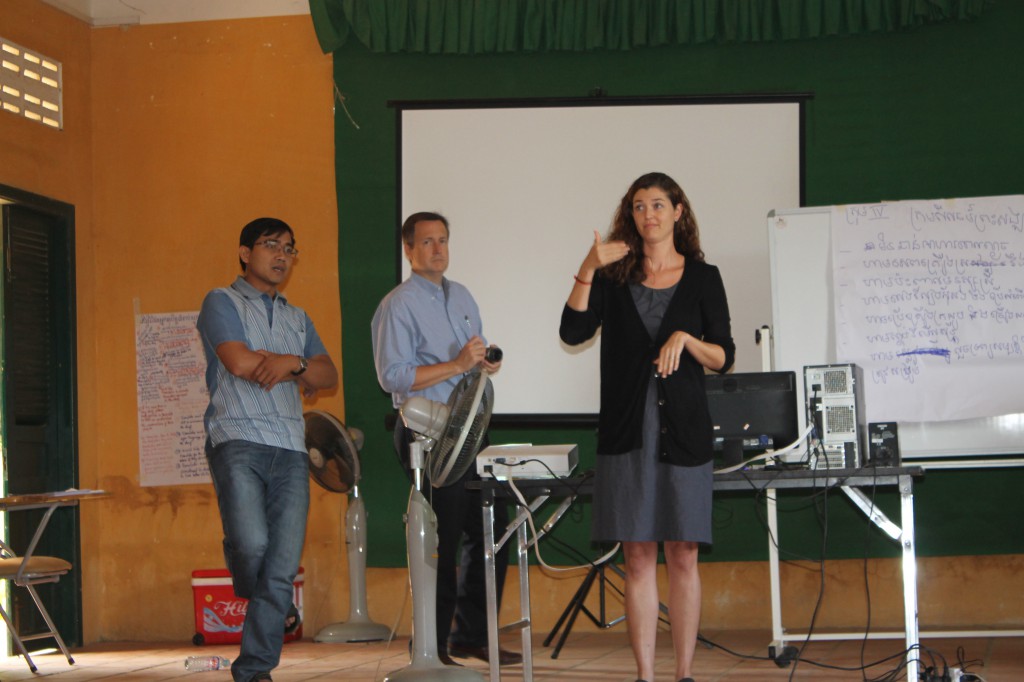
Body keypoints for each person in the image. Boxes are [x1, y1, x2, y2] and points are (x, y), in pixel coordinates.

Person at [559, 173, 735, 682]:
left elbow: (723, 355)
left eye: (658, 204)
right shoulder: (612, 279)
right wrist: (589, 266)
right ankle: (645, 677)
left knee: (682, 554)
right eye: (638, 206)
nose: (648, 214)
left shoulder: (704, 277)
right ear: (629, 215)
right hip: (625, 430)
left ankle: (682, 674)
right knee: (637, 556)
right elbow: (572, 331)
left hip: (684, 431)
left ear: (678, 211)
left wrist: (686, 339)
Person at [371, 211, 521, 667]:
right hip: (429, 433)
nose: (437, 249)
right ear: (409, 250)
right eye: (427, 242)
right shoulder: (397, 305)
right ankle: (431, 647)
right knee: (444, 537)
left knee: (491, 531)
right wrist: (457, 364)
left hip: (470, 428)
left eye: (443, 240)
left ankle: (471, 636)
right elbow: (391, 376)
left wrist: (483, 360)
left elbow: (472, 353)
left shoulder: (462, 296)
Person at [197, 217, 338, 682]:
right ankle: (249, 570)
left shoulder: (298, 318)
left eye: (290, 249)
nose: (282, 256)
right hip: (236, 437)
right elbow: (236, 361)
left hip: (291, 449)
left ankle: (255, 669)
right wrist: (295, 369)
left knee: (279, 566)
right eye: (270, 245)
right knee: (254, 545)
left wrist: (290, 363)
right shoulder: (222, 300)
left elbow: (327, 375)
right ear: (244, 252)